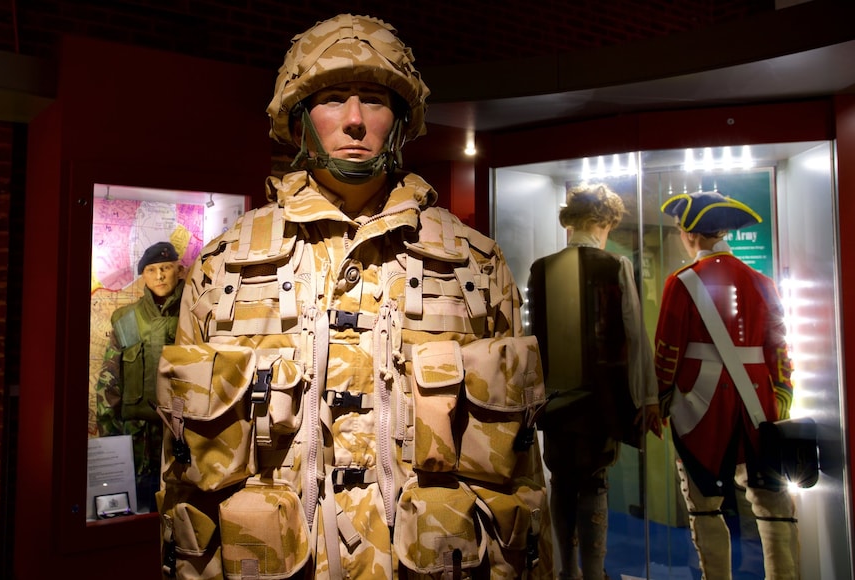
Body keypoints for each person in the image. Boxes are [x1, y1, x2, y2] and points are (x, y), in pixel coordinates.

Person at [155, 14, 552, 579]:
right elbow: (183, 472)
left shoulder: (473, 264)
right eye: (333, 99)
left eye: (374, 99)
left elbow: (521, 468)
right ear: (299, 123)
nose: (355, 121)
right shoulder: (226, 267)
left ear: (400, 121)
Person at [654, 190, 798, 579]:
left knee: (704, 504)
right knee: (771, 502)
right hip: (759, 401)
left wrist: (661, 398)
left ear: (689, 233)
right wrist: (782, 393)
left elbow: (667, 350)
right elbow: (778, 345)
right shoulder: (761, 281)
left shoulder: (681, 282)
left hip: (701, 408)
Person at [527, 183, 661, 580]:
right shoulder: (613, 265)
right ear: (603, 222)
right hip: (601, 399)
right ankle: (594, 571)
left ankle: (566, 571)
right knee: (595, 482)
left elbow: (534, 341)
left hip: (554, 400)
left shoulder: (540, 267)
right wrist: (646, 398)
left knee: (563, 481)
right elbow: (635, 337)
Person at [95, 241, 185, 513]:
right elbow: (109, 385)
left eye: (166, 268)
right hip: (136, 446)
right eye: (152, 269)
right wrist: (111, 447)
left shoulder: (192, 315)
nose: (159, 276)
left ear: (178, 270)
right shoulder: (128, 319)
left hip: (182, 440)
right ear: (143, 275)